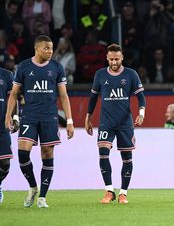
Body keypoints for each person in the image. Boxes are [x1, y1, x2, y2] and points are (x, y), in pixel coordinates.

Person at [5, 35, 74, 208]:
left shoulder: (57, 67)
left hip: (49, 117)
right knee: (22, 153)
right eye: (46, 48)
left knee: (47, 154)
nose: (50, 51)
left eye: (51, 48)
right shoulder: (24, 66)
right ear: (37, 48)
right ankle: (32, 186)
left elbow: (64, 96)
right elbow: (14, 93)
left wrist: (70, 120)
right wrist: (8, 115)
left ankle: (42, 196)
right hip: (29, 115)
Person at [85, 44, 145, 204]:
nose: (114, 62)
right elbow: (93, 98)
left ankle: (123, 193)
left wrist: (141, 113)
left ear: (122, 58)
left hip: (125, 124)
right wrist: (87, 117)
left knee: (127, 158)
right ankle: (109, 191)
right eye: (111, 59)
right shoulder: (100, 75)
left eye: (117, 59)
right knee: (103, 153)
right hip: (106, 123)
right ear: (107, 58)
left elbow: (141, 97)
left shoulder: (131, 74)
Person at [0, 66, 19, 204]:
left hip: (2, 126)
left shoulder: (6, 74)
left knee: (5, 162)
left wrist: (16, 117)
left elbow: (13, 96)